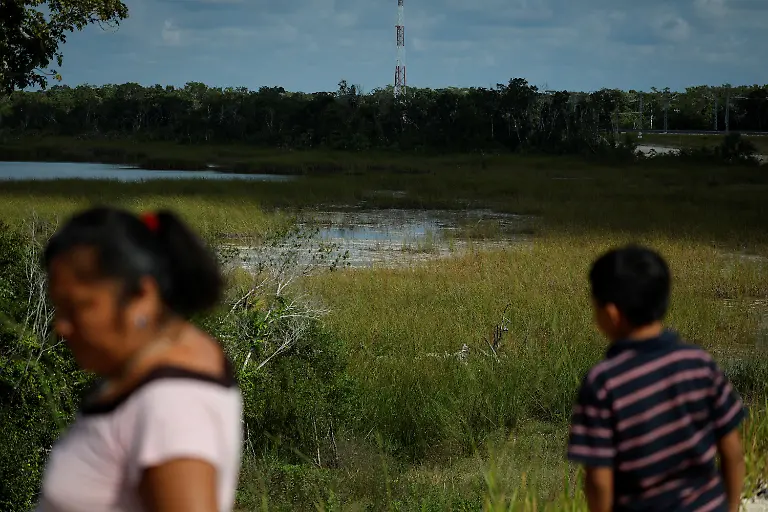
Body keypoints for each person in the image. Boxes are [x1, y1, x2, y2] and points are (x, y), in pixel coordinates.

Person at [35, 206, 243, 512]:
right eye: (58, 309)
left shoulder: (172, 402)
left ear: (142, 297)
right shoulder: (153, 370)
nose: (61, 327)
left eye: (77, 307)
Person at [567, 245, 746, 512]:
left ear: (612, 314)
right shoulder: (698, 362)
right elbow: (733, 452)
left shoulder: (604, 383)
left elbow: (599, 482)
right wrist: (730, 507)